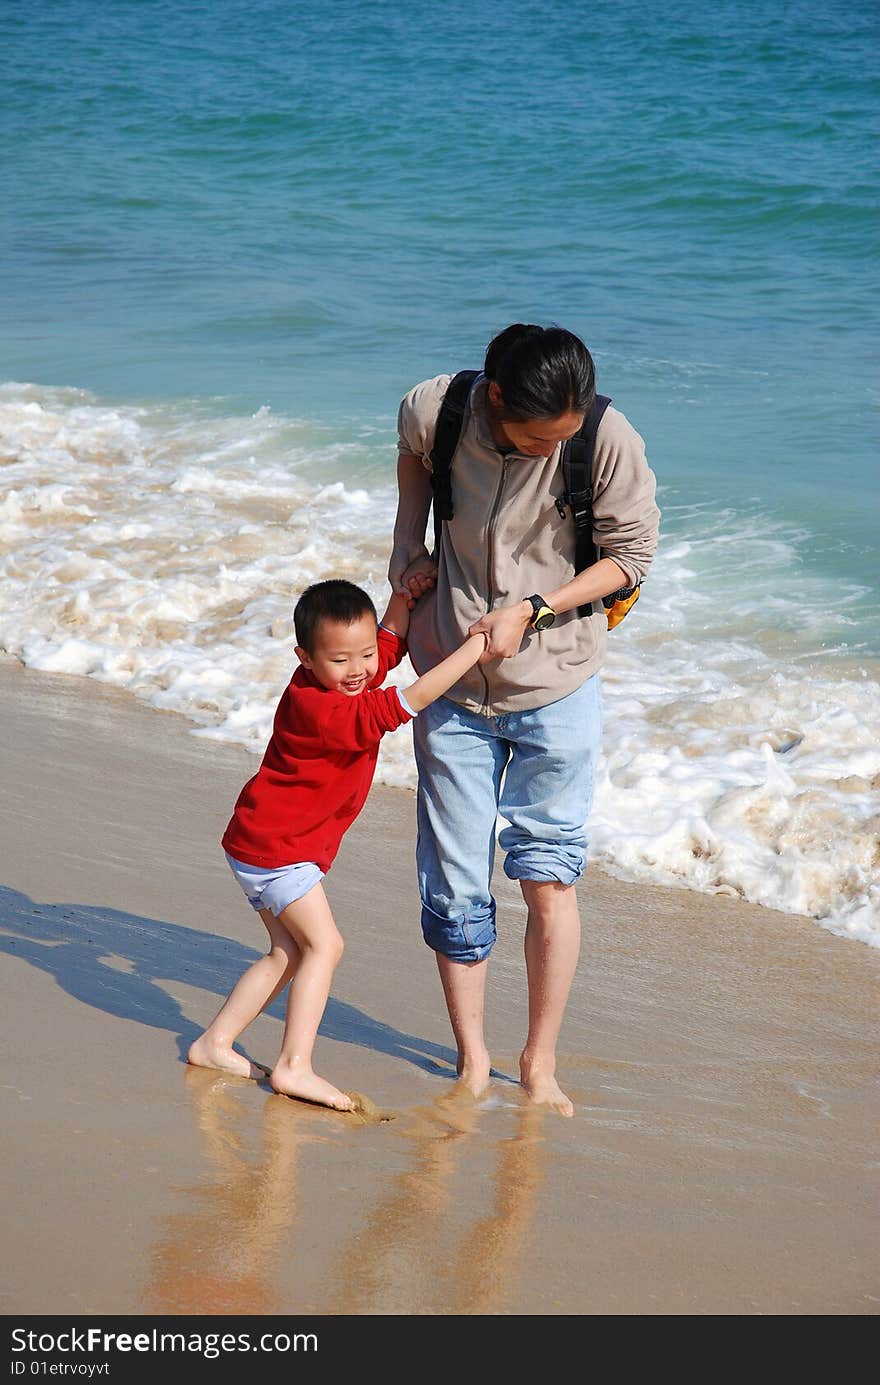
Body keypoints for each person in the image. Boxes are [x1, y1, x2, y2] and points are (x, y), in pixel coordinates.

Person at [389, 322, 660, 1116]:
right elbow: (411, 458)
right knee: (454, 886)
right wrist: (407, 547)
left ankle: (538, 1062)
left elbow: (630, 557)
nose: (553, 450)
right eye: (539, 437)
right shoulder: (436, 410)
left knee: (549, 875)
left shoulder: (606, 438)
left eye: (564, 437)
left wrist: (534, 608)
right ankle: (471, 1061)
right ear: (496, 399)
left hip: (559, 685)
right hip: (450, 678)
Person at [188, 577, 487, 1112]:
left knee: (288, 953)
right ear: (304, 658)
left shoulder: (343, 676)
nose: (359, 671)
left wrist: (403, 597)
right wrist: (475, 648)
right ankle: (293, 1066)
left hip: (261, 840)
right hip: (277, 848)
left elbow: (388, 646)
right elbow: (403, 703)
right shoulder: (321, 709)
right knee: (325, 947)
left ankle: (214, 1043)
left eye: (365, 656)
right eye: (340, 660)